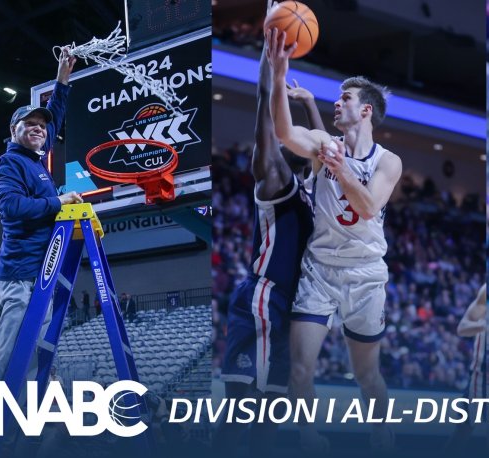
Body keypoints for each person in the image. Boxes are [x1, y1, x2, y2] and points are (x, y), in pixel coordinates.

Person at [267, 27, 402, 450]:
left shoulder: (389, 162)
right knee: (300, 371)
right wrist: (277, 76)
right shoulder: (324, 142)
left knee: (366, 376)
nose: (337, 103)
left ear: (366, 111)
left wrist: (340, 170)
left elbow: (369, 207)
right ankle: (310, 438)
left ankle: (381, 432)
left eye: (345, 98)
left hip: (365, 275)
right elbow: (285, 133)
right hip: (320, 272)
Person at [213, 12, 319, 454]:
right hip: (262, 298)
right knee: (242, 411)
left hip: (287, 309)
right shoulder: (275, 180)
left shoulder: (313, 192)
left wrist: (309, 103)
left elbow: (323, 152)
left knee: (272, 415)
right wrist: (273, 69)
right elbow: (264, 114)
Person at [0, 47, 81, 441]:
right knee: (9, 356)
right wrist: (58, 202)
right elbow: (11, 207)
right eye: (30, 124)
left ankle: (20, 433)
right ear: (14, 130)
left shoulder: (37, 157)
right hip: (21, 274)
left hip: (41, 274)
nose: (40, 129)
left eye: (42, 126)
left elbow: (55, 113)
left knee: (35, 355)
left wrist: (62, 77)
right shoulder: (10, 163)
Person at [445, 284, 487, 451]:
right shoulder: (485, 292)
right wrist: (483, 326)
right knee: (463, 430)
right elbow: (462, 328)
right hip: (481, 376)